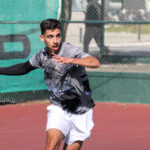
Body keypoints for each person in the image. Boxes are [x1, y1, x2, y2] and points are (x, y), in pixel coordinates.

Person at [0, 19, 100, 150]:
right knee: (52, 143)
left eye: (58, 36)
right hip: (59, 107)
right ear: (42, 38)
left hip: (81, 110)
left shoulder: (69, 50)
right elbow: (24, 68)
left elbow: (94, 62)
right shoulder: (42, 56)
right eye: (50, 37)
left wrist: (71, 60)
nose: (55, 40)